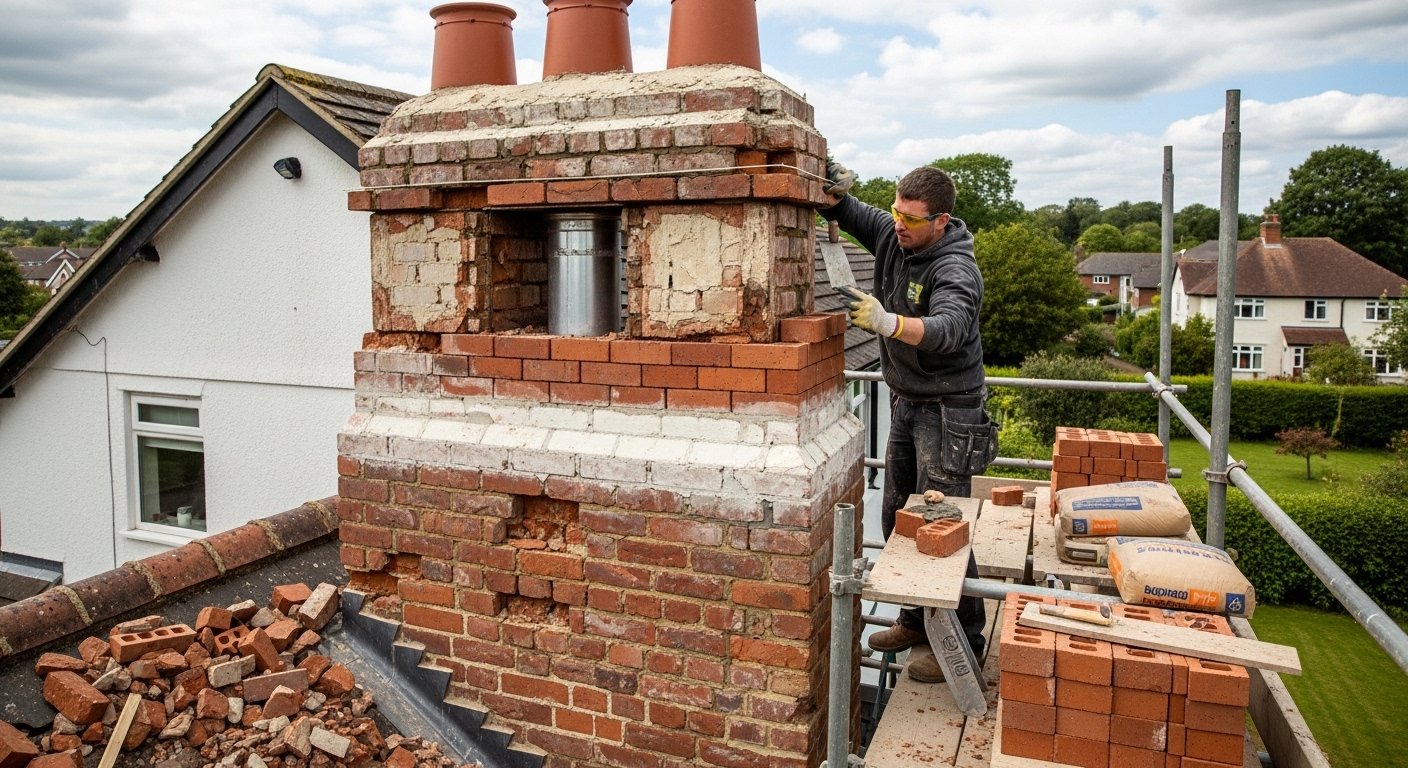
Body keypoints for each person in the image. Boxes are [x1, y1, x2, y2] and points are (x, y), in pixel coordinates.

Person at [820, 163, 998, 683]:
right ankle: (917, 622)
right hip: (909, 401)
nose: (898, 223)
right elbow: (850, 212)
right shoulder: (894, 235)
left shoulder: (955, 269)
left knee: (940, 532)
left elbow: (948, 329)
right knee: (898, 517)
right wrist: (831, 190)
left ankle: (964, 645)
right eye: (895, 210)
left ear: (941, 221)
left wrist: (887, 323)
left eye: (911, 218)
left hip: (950, 410)